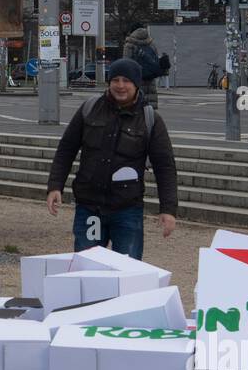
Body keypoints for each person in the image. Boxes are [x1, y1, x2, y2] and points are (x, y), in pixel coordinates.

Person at [45, 57, 178, 260]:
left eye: (126, 80)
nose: (120, 85)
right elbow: (66, 149)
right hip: (89, 207)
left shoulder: (150, 119)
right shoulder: (89, 108)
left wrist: (168, 210)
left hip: (127, 209)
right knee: (87, 267)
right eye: (115, 79)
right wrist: (55, 186)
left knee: (127, 271)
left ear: (136, 84)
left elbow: (165, 167)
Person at [123, 23, 162, 105]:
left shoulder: (129, 45)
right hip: (150, 78)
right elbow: (155, 61)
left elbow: (126, 64)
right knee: (149, 112)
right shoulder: (151, 44)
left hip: (136, 80)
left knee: (136, 108)